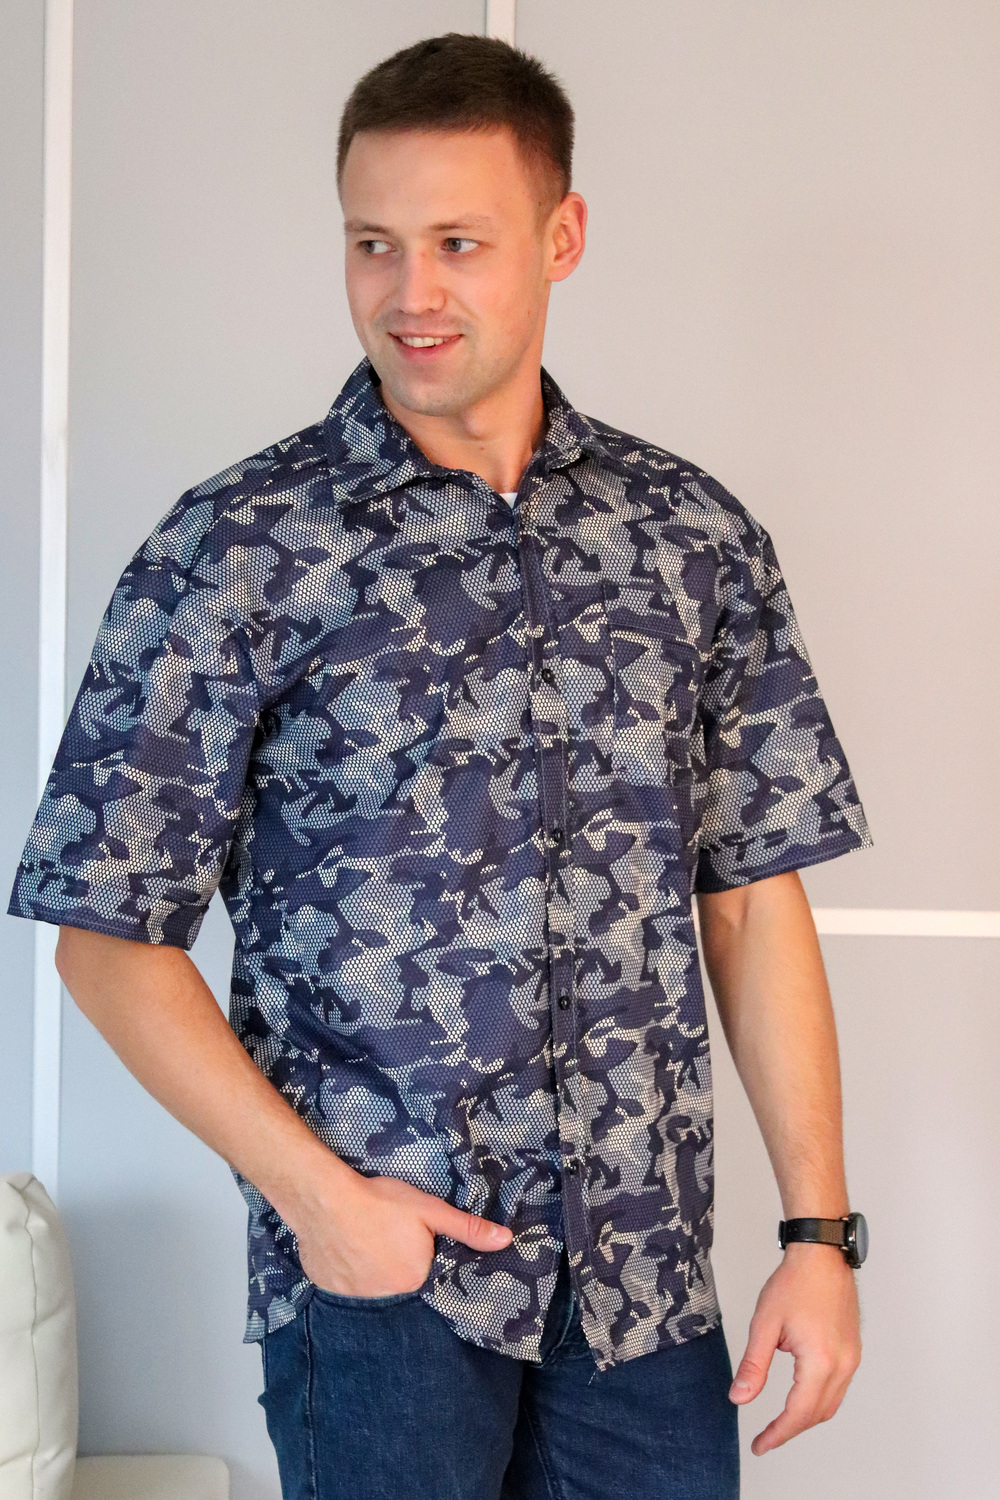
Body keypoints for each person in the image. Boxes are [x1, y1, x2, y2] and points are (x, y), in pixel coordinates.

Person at [9, 32, 873, 1500]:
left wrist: (818, 1234)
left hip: (644, 1288)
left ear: (561, 236)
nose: (409, 293)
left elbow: (748, 899)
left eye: (458, 243)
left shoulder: (690, 538)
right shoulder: (238, 548)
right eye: (374, 244)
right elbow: (106, 935)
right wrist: (320, 1204)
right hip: (381, 1297)